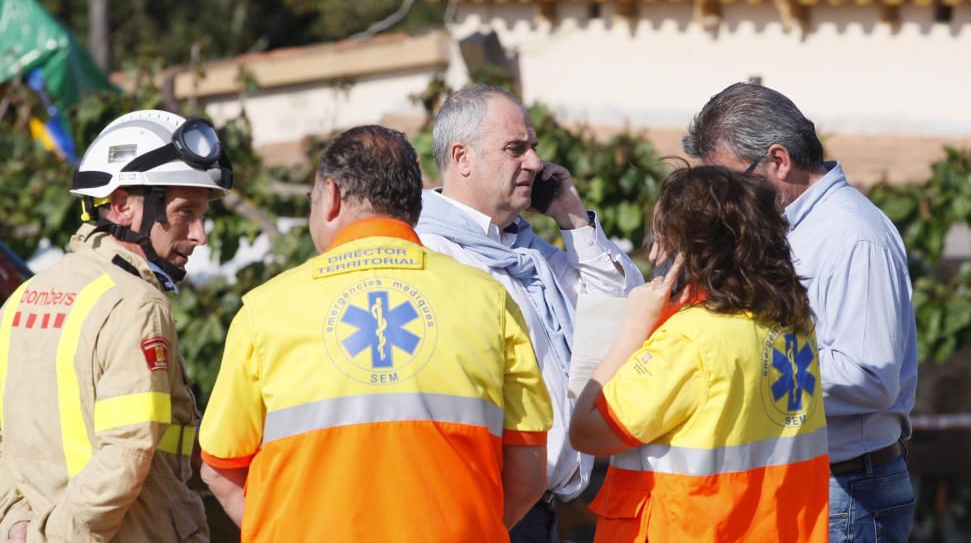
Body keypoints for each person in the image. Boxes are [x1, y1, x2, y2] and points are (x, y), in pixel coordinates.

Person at [198, 125, 552, 542]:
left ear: (330, 196)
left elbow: (220, 470)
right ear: (413, 204)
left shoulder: (265, 311)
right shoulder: (488, 300)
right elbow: (529, 472)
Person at [683, 82, 918, 542]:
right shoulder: (787, 228)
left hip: (846, 488)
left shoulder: (853, 235)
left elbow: (868, 377)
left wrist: (744, 368)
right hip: (805, 479)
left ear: (778, 160)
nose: (724, 196)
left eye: (730, 180)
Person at [415, 84, 644, 542]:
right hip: (479, 508)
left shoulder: (527, 251)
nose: (536, 163)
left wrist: (573, 217)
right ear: (463, 158)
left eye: (534, 148)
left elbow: (620, 305)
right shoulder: (427, 252)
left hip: (539, 512)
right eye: (516, 148)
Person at [0, 109, 232, 542]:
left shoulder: (22, 299)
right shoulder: (137, 305)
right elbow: (127, 452)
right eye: (185, 212)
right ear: (123, 205)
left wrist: (16, 525)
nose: (200, 235)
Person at [570, 165, 829, 542]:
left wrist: (633, 330)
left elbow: (586, 431)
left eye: (660, 239)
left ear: (689, 251)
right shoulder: (792, 323)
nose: (653, 252)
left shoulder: (690, 340)